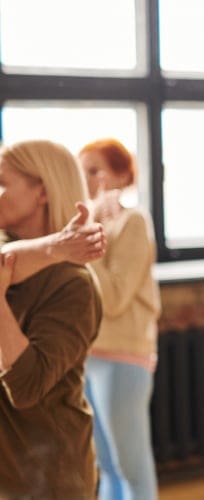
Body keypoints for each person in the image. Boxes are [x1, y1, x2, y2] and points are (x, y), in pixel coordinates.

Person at [0, 139, 104, 497]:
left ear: (41, 192)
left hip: (50, 479)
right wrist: (54, 246)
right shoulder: (7, 249)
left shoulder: (73, 286)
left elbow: (27, 387)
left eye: (3, 182)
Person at [78, 138, 161, 500]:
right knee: (105, 467)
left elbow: (113, 300)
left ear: (123, 175)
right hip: (88, 355)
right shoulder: (88, 225)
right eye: (83, 173)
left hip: (123, 357)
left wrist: (85, 243)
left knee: (132, 466)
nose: (89, 180)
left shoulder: (134, 222)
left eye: (96, 170)